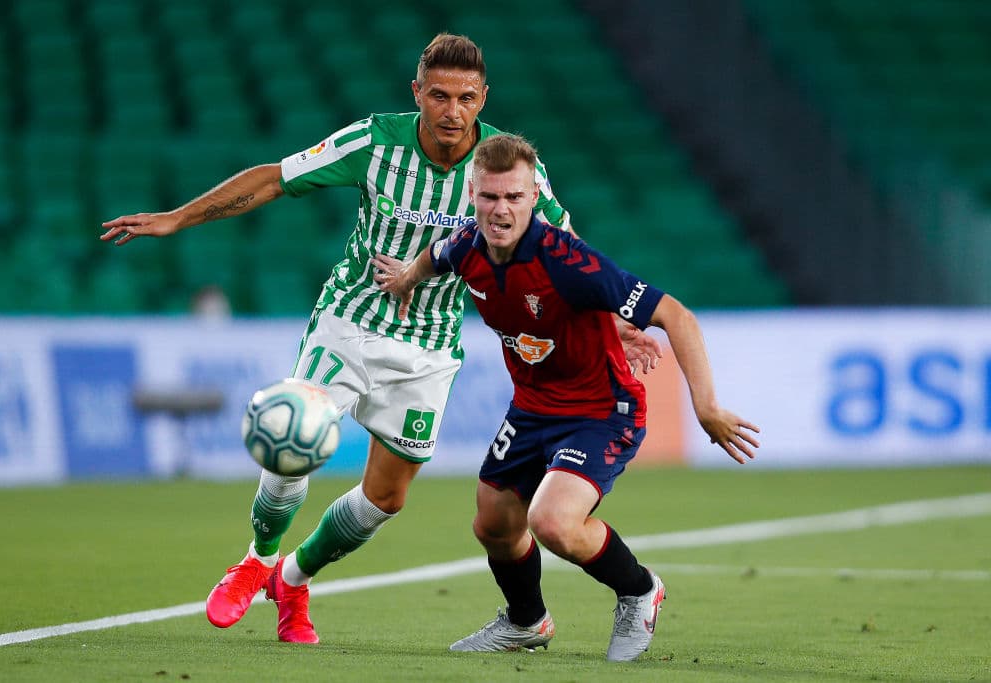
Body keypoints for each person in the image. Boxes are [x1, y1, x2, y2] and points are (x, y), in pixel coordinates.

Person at [100, 34, 658, 645]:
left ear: (483, 98)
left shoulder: (503, 170)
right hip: (350, 323)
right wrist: (177, 218)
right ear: (416, 92)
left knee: (385, 498)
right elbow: (277, 178)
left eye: (466, 98)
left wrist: (622, 321)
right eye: (439, 95)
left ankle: (292, 577)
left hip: (431, 349)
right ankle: (257, 558)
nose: (452, 111)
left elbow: (566, 253)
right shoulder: (376, 142)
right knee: (295, 434)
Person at [373, 133, 760, 661]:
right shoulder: (467, 246)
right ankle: (526, 622)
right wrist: (406, 280)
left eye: (514, 197)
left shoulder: (568, 262)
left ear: (535, 197)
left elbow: (677, 316)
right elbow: (434, 256)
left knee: (551, 521)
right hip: (532, 407)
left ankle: (639, 590)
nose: (500, 210)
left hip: (603, 410)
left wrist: (707, 406)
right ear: (471, 197)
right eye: (489, 197)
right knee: (492, 522)